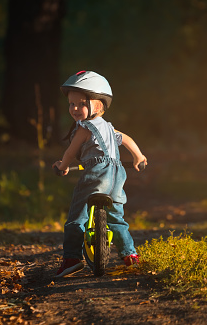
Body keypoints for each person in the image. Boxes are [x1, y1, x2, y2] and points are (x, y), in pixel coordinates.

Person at [53, 70, 147, 278]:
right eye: (71, 104)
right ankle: (130, 255)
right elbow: (127, 139)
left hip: (96, 174)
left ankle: (72, 258)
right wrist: (138, 156)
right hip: (117, 175)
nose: (75, 109)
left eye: (81, 104)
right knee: (116, 218)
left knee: (77, 216)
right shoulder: (110, 129)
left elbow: (71, 152)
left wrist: (63, 165)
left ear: (99, 105)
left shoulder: (84, 129)